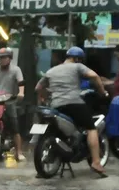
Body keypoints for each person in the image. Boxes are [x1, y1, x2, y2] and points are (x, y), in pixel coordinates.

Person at [35, 46, 108, 176]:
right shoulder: (77, 67)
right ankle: (96, 162)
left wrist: (46, 97)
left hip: (56, 105)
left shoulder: (52, 70)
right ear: (77, 58)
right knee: (91, 128)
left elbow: (39, 87)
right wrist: (102, 92)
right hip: (74, 103)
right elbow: (95, 76)